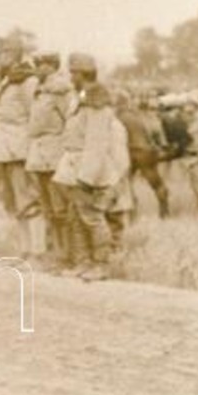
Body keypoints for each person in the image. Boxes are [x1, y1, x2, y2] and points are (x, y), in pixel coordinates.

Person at [55, 53, 129, 282]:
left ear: (81, 74)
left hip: (87, 169)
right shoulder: (82, 98)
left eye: (73, 73)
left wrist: (87, 176)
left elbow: (96, 144)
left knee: (92, 217)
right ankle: (83, 262)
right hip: (73, 165)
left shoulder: (96, 104)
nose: (70, 78)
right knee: (75, 216)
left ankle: (101, 264)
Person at [0, 38, 45, 258]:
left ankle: (38, 249)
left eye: (5, 53)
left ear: (16, 55)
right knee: (13, 202)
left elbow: (35, 117)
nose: (0, 57)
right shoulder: (5, 81)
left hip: (20, 149)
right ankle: (25, 249)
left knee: (28, 199)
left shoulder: (26, 82)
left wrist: (30, 147)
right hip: (5, 149)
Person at [25, 52, 75, 267]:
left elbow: (69, 121)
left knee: (59, 207)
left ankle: (65, 255)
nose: (36, 68)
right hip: (40, 153)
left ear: (52, 66)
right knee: (47, 207)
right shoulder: (40, 90)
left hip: (55, 152)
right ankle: (54, 252)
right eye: (36, 64)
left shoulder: (60, 90)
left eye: (40, 64)